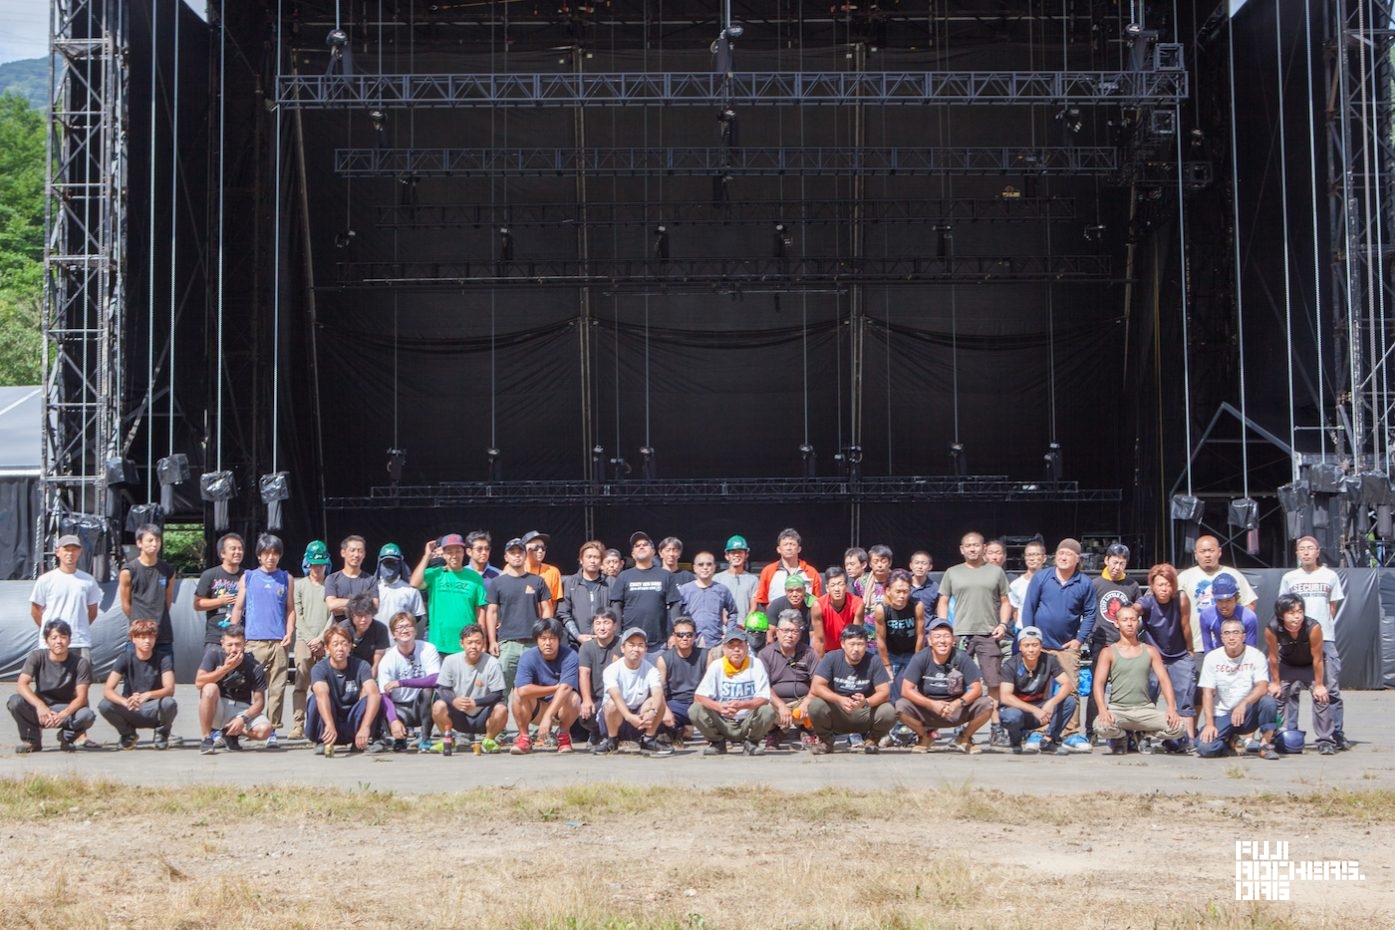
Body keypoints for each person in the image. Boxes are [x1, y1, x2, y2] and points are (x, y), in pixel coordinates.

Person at [1018, 537, 1095, 748]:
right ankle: (1038, 732)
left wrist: (1079, 641)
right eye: (1060, 553)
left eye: (1068, 554)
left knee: (1071, 690)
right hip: (1040, 646)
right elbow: (1029, 608)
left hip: (1066, 648)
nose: (1062, 557)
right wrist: (1030, 638)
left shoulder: (1084, 583)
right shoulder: (1042, 578)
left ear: (1077, 559)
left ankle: (1071, 734)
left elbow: (1089, 615)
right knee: (1039, 690)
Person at [938, 531, 1014, 743]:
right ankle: (959, 726)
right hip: (960, 634)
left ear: (983, 549)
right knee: (957, 682)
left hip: (988, 634)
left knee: (993, 682)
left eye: (976, 545)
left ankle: (996, 728)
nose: (972, 548)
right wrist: (945, 628)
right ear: (961, 550)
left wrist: (1002, 624)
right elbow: (943, 601)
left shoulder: (995, 572)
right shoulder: (952, 573)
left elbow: (1005, 601)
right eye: (968, 545)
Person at [1277, 536, 1349, 750]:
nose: (1306, 552)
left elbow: (1332, 607)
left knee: (1330, 689)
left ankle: (1335, 733)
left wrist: (1321, 629)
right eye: (1302, 549)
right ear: (1297, 553)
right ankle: (1289, 735)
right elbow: (1283, 608)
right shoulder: (1290, 578)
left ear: (1318, 552)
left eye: (1310, 548)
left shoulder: (1330, 576)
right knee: (1291, 690)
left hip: (1324, 638)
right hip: (1294, 640)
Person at [229, 532, 294, 748]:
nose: (271, 557)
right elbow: (238, 607)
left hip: (278, 642)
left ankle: (273, 730)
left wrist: (289, 631)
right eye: (266, 553)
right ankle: (239, 726)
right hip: (253, 642)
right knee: (248, 687)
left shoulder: (286, 578)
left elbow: (290, 609)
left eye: (275, 553)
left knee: (277, 688)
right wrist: (235, 637)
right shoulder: (248, 576)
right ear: (259, 555)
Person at [1091, 605, 1186, 753]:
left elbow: (1164, 680)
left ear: (1138, 622)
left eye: (1133, 619)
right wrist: (1103, 710)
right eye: (1124, 620)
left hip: (1145, 709)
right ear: (1117, 623)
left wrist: (1171, 709)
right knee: (1100, 726)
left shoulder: (1150, 651)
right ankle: (1122, 736)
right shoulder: (1108, 652)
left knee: (1179, 727)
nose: (1129, 623)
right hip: (1118, 710)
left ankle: (1146, 734)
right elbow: (1098, 683)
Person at [895, 618, 995, 754]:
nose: (942, 641)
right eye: (937, 636)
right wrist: (931, 704)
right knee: (900, 706)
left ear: (953, 640)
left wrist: (957, 704)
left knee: (987, 704)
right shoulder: (920, 658)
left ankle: (965, 737)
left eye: (946, 636)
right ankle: (924, 737)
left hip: (957, 710)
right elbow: (906, 690)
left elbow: (976, 688)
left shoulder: (962, 657)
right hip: (928, 710)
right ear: (929, 641)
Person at [1134, 563, 1197, 750]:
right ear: (1152, 586)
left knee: (1185, 695)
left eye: (1168, 584)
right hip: (1155, 656)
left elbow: (1185, 626)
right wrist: (1128, 614)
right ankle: (1144, 735)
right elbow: (1136, 608)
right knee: (1149, 694)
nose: (1164, 588)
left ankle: (1189, 737)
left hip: (1179, 653)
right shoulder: (1147, 601)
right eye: (1160, 584)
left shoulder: (1181, 598)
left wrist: (1190, 650)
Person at [9, 620, 97, 753]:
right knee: (15, 701)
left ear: (69, 639)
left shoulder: (80, 663)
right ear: (46, 641)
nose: (59, 641)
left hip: (66, 709)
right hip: (41, 709)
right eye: (54, 638)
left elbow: (82, 698)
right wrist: (40, 706)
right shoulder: (37, 657)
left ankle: (66, 738)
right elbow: (21, 685)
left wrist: (63, 714)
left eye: (63, 637)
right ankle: (32, 741)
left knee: (87, 715)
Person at [1197, 617, 1279, 760]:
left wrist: (1243, 704)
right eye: (1227, 633)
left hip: (1248, 713)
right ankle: (1229, 742)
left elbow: (1262, 686)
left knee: (1268, 702)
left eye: (1236, 633)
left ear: (1243, 636)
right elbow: (1207, 693)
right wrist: (1209, 724)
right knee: (1204, 748)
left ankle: (1265, 745)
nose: (1231, 637)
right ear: (1221, 637)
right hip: (1223, 714)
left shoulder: (1256, 655)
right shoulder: (1212, 658)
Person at [805, 625, 896, 754]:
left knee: (889, 711)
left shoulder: (874, 661)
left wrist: (866, 702)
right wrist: (839, 699)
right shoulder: (831, 658)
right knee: (815, 705)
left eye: (860, 644)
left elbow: (884, 692)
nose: (856, 649)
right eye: (852, 644)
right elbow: (817, 686)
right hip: (838, 712)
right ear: (842, 644)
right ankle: (826, 741)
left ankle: (872, 740)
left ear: (866, 645)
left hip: (864, 712)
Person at [1265, 593, 1336, 754]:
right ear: (1281, 615)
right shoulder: (1272, 628)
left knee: (1322, 697)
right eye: (1291, 613)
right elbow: (1273, 657)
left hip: (1310, 665)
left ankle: (1326, 740)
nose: (1297, 617)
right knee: (1276, 696)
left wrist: (1319, 685)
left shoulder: (1313, 627)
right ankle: (1275, 736)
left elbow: (1318, 659)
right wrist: (1275, 682)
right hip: (1287, 664)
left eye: (1299, 612)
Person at [690, 628, 778, 755]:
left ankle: (752, 743)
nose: (736, 650)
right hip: (724, 720)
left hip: (747, 719)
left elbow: (764, 697)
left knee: (767, 710)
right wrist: (719, 707)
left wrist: (742, 705)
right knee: (695, 709)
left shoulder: (756, 664)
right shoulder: (716, 666)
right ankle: (717, 742)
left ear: (747, 647)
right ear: (724, 649)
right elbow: (699, 696)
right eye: (731, 646)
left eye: (740, 645)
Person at [1177, 535, 1258, 667]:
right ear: (1196, 555)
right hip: (1198, 646)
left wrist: (1235, 632)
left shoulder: (1234, 575)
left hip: (1231, 646)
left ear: (1219, 552)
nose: (1207, 555)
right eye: (1203, 551)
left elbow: (1250, 604)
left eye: (1211, 550)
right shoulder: (1184, 577)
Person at [98, 618, 178, 750]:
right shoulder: (124, 658)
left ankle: (161, 734)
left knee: (169, 703)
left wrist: (148, 695)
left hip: (153, 708)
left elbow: (170, 689)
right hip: (131, 708)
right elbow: (108, 690)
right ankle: (128, 734)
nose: (147, 641)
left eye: (151, 637)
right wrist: (124, 701)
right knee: (104, 705)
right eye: (142, 637)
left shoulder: (164, 658)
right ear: (133, 639)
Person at [487, 537, 554, 692]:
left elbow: (547, 609)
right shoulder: (497, 583)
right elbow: (491, 613)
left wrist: (544, 636)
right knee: (501, 691)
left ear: (525, 556)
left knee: (533, 689)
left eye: (520, 552)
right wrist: (492, 641)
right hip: (507, 644)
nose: (517, 555)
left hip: (533, 643)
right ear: (506, 557)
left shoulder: (538, 581)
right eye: (512, 552)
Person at [307, 622, 384, 755]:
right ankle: (322, 740)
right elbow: (322, 696)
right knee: (315, 700)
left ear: (350, 646)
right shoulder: (319, 669)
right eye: (335, 644)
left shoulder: (362, 666)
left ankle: (362, 740)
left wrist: (365, 727)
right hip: (330, 722)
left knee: (373, 697)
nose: (340, 648)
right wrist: (329, 725)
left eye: (344, 643)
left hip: (352, 722)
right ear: (327, 648)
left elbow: (374, 694)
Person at [195, 624, 274, 755]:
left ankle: (230, 732)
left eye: (238, 644)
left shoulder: (255, 666)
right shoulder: (214, 655)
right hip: (217, 706)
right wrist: (225, 668)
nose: (234, 649)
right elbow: (199, 682)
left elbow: (259, 702)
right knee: (209, 688)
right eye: (230, 645)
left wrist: (242, 719)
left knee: (265, 730)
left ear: (245, 644)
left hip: (241, 709)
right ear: (222, 644)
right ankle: (206, 738)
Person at [432, 624, 508, 755]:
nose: (474, 646)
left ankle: (489, 740)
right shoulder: (450, 661)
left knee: (502, 709)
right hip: (458, 712)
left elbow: (497, 694)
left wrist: (476, 703)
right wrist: (454, 701)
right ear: (462, 644)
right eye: (470, 642)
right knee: (438, 705)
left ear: (484, 643)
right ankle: (447, 737)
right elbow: (443, 689)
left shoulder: (492, 663)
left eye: (478, 642)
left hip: (482, 714)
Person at [997, 626, 1075, 754]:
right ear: (1020, 647)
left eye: (1035, 645)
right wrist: (1035, 710)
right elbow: (1005, 697)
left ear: (1041, 646)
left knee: (1069, 701)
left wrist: (1051, 703)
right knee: (1012, 716)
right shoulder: (1010, 665)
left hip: (1041, 709)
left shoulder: (1049, 660)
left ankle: (1049, 740)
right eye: (1026, 645)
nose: (1031, 649)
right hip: (1019, 711)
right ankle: (1016, 740)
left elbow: (1067, 684)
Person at [594, 626, 672, 755]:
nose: (636, 649)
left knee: (657, 701)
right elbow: (615, 695)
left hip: (640, 719)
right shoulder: (611, 670)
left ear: (646, 649)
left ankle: (648, 739)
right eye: (631, 645)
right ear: (623, 648)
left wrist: (652, 712)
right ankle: (612, 741)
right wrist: (629, 717)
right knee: (612, 704)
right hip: (614, 719)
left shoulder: (651, 670)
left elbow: (657, 692)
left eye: (640, 645)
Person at [509, 618, 581, 754]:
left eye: (552, 638)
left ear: (559, 639)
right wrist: (555, 688)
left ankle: (564, 737)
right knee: (518, 694)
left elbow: (566, 688)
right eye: (543, 638)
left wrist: (548, 717)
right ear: (536, 640)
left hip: (561, 708)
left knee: (573, 697)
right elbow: (523, 689)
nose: (548, 643)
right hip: (536, 707)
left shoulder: (570, 655)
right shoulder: (528, 656)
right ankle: (524, 738)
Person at [411, 532, 488, 658]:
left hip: (467, 643)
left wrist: (482, 639)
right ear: (444, 554)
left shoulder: (474, 578)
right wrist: (426, 556)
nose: (454, 556)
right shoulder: (435, 574)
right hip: (439, 643)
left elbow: (480, 611)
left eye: (458, 551)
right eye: (450, 552)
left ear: (464, 553)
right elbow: (414, 583)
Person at [756, 610, 821, 751]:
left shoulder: (809, 653)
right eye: (785, 630)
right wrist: (780, 705)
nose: (789, 635)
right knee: (762, 707)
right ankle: (773, 731)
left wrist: (807, 703)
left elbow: (818, 684)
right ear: (777, 632)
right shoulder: (765, 654)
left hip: (802, 702)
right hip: (776, 703)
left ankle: (806, 729)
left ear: (800, 634)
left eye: (794, 631)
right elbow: (764, 686)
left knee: (820, 703)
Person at [378, 610, 442, 751]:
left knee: (428, 691)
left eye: (408, 626)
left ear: (415, 630)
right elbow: (385, 695)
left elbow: (435, 679)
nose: (404, 630)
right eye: (399, 628)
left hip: (420, 705)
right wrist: (393, 720)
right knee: (379, 702)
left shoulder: (428, 649)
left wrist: (402, 682)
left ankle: (425, 738)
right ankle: (399, 738)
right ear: (393, 634)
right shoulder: (387, 659)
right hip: (399, 706)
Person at [31, 533, 102, 656]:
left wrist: (79, 627)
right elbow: (36, 611)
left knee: (81, 675)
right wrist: (51, 632)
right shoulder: (45, 580)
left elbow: (93, 612)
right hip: (50, 645)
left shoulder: (89, 581)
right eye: (66, 549)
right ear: (58, 552)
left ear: (80, 552)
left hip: (79, 642)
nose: (70, 553)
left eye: (74, 550)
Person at [291, 539, 334, 740]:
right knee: (301, 683)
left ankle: (325, 722)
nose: (318, 568)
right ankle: (298, 724)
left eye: (321, 564)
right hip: (303, 641)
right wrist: (311, 639)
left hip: (327, 640)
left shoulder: (331, 584)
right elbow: (297, 615)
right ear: (307, 563)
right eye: (314, 564)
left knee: (326, 684)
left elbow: (334, 613)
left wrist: (322, 638)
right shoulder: (299, 586)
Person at [609, 531, 681, 650]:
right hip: (630, 642)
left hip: (659, 643)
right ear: (632, 554)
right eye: (637, 546)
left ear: (653, 552)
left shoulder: (666, 576)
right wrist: (617, 636)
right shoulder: (623, 576)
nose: (641, 546)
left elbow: (674, 607)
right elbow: (616, 607)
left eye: (645, 544)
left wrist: (674, 634)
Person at [117, 523, 176, 661]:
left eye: (158, 540)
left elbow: (167, 601)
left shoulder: (168, 570)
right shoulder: (128, 570)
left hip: (163, 634)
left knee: (165, 679)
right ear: (139, 543)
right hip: (138, 635)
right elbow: (126, 604)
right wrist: (139, 624)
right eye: (150, 540)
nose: (154, 544)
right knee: (134, 678)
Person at [577, 608, 624, 748]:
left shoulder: (622, 645)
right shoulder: (586, 647)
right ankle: (597, 732)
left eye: (606, 623)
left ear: (615, 626)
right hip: (597, 698)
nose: (602, 627)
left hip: (619, 698)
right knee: (585, 714)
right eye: (598, 623)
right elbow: (584, 673)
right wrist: (586, 700)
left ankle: (616, 735)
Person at [655, 615, 705, 745]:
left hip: (700, 702)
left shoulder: (706, 655)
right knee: (654, 711)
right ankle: (675, 732)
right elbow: (659, 689)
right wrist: (665, 711)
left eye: (689, 634)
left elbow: (712, 686)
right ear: (674, 636)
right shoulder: (664, 659)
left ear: (694, 636)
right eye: (680, 635)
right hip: (676, 704)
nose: (684, 638)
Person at [557, 539, 612, 647]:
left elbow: (615, 614)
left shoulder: (610, 582)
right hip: (576, 643)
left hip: (606, 642)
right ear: (581, 560)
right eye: (589, 557)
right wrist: (578, 636)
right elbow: (563, 613)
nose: (593, 561)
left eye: (596, 557)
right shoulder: (570, 582)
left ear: (601, 561)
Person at [678, 550, 739, 648]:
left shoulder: (722, 590)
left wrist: (729, 633)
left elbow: (733, 613)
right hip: (690, 644)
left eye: (709, 564)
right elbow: (676, 615)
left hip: (715, 643)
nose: (705, 568)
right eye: (701, 564)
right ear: (694, 568)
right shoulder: (685, 590)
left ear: (714, 567)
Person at [872, 569, 923, 683]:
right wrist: (886, 665)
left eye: (905, 591)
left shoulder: (917, 606)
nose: (902, 596)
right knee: (889, 686)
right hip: (891, 653)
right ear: (889, 591)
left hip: (911, 653)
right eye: (898, 591)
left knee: (913, 685)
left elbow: (920, 635)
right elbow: (880, 638)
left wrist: (917, 661)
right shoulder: (882, 609)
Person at [752, 528, 822, 611]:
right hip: (777, 621)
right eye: (785, 544)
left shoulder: (811, 572)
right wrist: (774, 613)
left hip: (804, 621)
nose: (789, 548)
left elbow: (818, 600)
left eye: (792, 544)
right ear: (779, 549)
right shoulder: (768, 571)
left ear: (799, 549)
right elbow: (762, 600)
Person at [1090, 542, 1140, 656]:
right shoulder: (1095, 584)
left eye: (1122, 563)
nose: (1117, 567)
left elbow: (1138, 612)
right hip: (1101, 642)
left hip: (1126, 642)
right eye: (1115, 562)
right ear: (1107, 560)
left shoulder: (1132, 585)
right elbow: (1088, 611)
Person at [195, 532, 244, 646]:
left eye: (240, 549)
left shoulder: (247, 576)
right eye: (233, 549)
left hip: (241, 637)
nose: (237, 552)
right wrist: (221, 601)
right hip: (215, 637)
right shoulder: (209, 575)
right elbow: (197, 604)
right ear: (222, 553)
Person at [762, 574, 825, 655]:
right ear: (785, 591)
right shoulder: (776, 604)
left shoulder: (813, 606)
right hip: (781, 649)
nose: (794, 594)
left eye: (799, 590)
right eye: (790, 591)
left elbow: (814, 637)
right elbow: (770, 635)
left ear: (805, 590)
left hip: (805, 649)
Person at [1198, 573, 1260, 651]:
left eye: (1228, 600)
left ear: (1236, 598)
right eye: (1219, 601)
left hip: (1242, 654)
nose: (1224, 605)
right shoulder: (1206, 616)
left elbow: (1251, 648)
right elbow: (1207, 647)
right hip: (1218, 653)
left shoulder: (1249, 617)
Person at [324, 535, 378, 621]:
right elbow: (331, 605)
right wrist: (360, 604)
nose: (356, 555)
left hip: (365, 631)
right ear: (343, 553)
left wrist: (343, 606)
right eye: (352, 550)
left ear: (364, 554)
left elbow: (374, 606)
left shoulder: (371, 580)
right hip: (340, 631)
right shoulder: (332, 579)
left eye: (360, 551)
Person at [374, 542, 425, 632]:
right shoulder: (372, 588)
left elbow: (417, 616)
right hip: (377, 642)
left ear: (400, 563)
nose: (390, 568)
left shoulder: (410, 590)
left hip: (402, 642)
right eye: (386, 563)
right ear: (380, 563)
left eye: (393, 563)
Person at [344, 591, 391, 676]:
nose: (363, 620)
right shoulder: (343, 629)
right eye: (360, 616)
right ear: (352, 615)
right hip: (346, 666)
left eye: (367, 615)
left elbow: (379, 652)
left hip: (369, 667)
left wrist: (374, 669)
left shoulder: (380, 629)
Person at [713, 535, 758, 620]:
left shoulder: (753, 580)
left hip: (744, 629)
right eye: (733, 552)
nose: (737, 555)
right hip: (722, 630)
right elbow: (715, 604)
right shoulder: (717, 579)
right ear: (727, 555)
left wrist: (746, 624)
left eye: (740, 552)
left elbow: (754, 606)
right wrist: (725, 621)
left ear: (746, 555)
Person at [817, 566, 863, 647]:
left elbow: (855, 637)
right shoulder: (818, 605)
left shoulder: (857, 604)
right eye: (833, 585)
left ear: (847, 587)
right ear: (827, 588)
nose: (837, 589)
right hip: (827, 650)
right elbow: (819, 640)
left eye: (840, 584)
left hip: (848, 648)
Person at [1008, 538, 1048, 625]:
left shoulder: (1051, 582)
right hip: (1024, 631)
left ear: (1044, 558)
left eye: (1035, 554)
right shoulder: (1016, 584)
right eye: (1028, 555)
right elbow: (1015, 611)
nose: (1031, 558)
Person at [521, 530, 564, 601]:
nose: (540, 551)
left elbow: (555, 602)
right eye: (536, 547)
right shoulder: (515, 569)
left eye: (543, 548)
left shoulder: (553, 571)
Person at [908, 551, 939, 618]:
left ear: (930, 567)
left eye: (924, 564)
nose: (920, 567)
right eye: (917, 563)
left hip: (928, 625)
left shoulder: (935, 587)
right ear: (911, 565)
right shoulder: (904, 584)